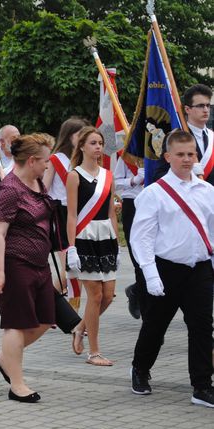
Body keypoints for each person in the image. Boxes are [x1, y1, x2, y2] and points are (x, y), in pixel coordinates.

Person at [130, 130, 214, 407]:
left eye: (191, 154)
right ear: (168, 157)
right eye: (180, 154)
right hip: (166, 269)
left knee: (202, 327)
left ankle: (202, 386)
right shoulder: (154, 193)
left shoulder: (207, 191)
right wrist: (150, 274)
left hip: (199, 268)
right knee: (155, 326)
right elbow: (140, 237)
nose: (187, 159)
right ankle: (140, 369)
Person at [0, 133, 55, 403]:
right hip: (15, 264)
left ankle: (5, 357)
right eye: (45, 161)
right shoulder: (9, 190)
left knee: (44, 320)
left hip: (40, 263)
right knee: (16, 324)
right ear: (31, 161)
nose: (48, 166)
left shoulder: (37, 181)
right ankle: (17, 384)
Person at [65, 127, 119, 366]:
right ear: (83, 147)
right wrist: (71, 247)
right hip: (84, 237)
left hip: (105, 236)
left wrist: (117, 242)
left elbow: (111, 212)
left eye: (100, 143)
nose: (98, 147)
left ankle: (80, 327)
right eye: (93, 143)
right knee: (94, 295)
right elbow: (72, 215)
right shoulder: (74, 175)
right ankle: (94, 352)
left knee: (108, 295)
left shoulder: (108, 175)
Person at [42, 117, 89, 307]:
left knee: (75, 267)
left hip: (80, 213)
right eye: (80, 135)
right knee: (70, 267)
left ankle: (49, 304)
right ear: (70, 136)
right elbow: (44, 188)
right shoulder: (55, 159)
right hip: (60, 213)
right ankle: (66, 311)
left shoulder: (82, 160)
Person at [114, 156, 145, 319]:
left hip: (156, 202)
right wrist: (134, 180)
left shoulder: (166, 154)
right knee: (139, 259)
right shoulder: (128, 157)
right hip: (132, 204)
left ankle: (136, 290)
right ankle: (149, 316)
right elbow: (115, 182)